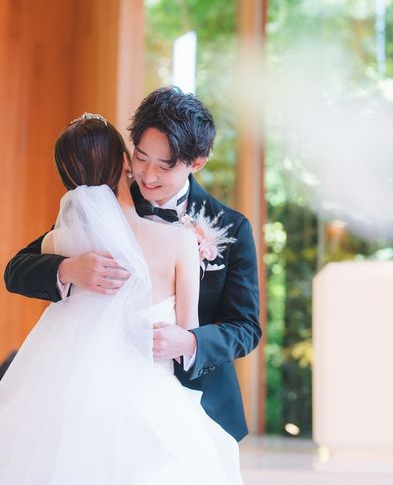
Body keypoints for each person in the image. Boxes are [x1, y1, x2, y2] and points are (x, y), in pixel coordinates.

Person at [4, 87, 262, 442]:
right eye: (141, 158)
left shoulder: (232, 226)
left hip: (198, 404)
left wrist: (190, 342)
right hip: (104, 398)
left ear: (197, 163)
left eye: (165, 165)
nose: (148, 176)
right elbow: (16, 270)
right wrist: (68, 270)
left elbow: (246, 327)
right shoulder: (101, 204)